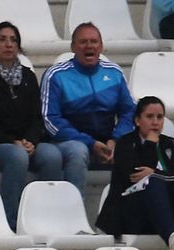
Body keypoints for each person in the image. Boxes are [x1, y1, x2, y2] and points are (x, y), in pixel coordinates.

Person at [0, 21, 64, 229]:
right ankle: (11, 221)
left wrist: (31, 140)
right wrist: (11, 141)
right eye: (2, 39)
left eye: (13, 40)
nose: (8, 44)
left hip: (26, 142)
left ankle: (48, 219)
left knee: (52, 156)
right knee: (17, 157)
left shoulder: (28, 77)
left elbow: (37, 117)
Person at [97, 96, 174, 249]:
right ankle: (171, 236)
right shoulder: (125, 143)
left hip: (165, 208)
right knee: (153, 183)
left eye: (159, 117)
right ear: (137, 120)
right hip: (131, 210)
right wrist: (150, 144)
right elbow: (134, 176)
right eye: (150, 117)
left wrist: (154, 172)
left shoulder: (170, 144)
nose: (155, 122)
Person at [42, 22, 136, 195]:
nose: (89, 46)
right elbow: (50, 119)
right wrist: (90, 143)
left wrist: (116, 139)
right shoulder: (56, 75)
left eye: (94, 41)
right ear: (73, 47)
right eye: (83, 42)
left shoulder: (114, 72)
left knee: (139, 148)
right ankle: (74, 208)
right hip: (69, 141)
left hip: (108, 140)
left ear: (101, 46)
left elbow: (129, 111)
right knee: (78, 151)